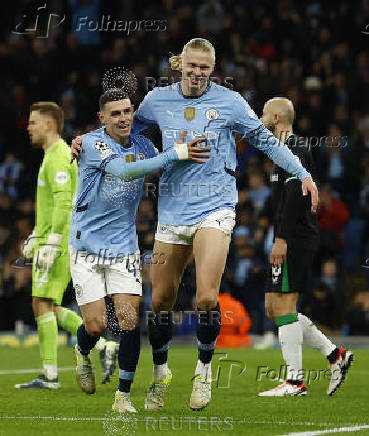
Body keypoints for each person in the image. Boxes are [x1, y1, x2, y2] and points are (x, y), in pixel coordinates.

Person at [71, 38, 318, 411]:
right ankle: (160, 375)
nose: (198, 73)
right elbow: (121, 128)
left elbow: (266, 141)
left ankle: (203, 373)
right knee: (161, 302)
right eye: (192, 66)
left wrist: (303, 173)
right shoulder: (156, 101)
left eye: (205, 67)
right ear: (181, 65)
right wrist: (83, 141)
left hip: (215, 208)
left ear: (212, 69)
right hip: (171, 213)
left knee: (205, 296)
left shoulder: (231, 103)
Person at [70, 82, 209, 413]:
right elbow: (124, 169)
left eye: (128, 111)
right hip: (86, 247)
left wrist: (184, 154)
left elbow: (164, 166)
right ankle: (83, 351)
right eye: (115, 113)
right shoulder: (90, 144)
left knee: (130, 319)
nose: (123, 118)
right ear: (101, 117)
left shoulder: (145, 145)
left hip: (123, 248)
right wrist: (175, 153)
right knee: (97, 325)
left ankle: (123, 397)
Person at [258, 97, 353, 397]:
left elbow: (297, 198)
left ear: (275, 117)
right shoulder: (278, 151)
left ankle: (295, 382)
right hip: (287, 235)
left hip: (295, 238)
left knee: (284, 306)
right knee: (274, 309)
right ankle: (335, 356)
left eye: (262, 114)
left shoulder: (295, 147)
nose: (260, 118)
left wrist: (282, 238)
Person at [15, 102, 83, 390]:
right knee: (44, 304)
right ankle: (101, 347)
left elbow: (65, 202)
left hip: (59, 241)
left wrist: (52, 242)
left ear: (48, 125)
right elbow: (51, 205)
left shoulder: (58, 156)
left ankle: (51, 375)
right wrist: (35, 235)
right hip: (53, 238)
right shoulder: (53, 156)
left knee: (42, 303)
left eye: (33, 122)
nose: (28, 128)